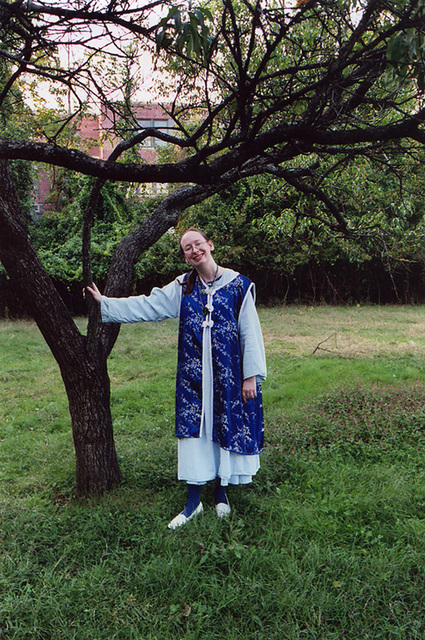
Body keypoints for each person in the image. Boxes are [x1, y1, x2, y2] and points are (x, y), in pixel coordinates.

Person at [86, 228, 266, 529]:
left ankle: (221, 494)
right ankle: (193, 502)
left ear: (210, 244)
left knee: (223, 426)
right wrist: (106, 303)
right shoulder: (183, 286)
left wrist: (251, 376)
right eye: (187, 248)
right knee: (195, 432)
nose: (194, 250)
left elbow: (250, 332)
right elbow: (148, 305)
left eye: (198, 244)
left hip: (227, 376)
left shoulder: (239, 286)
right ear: (184, 256)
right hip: (193, 379)